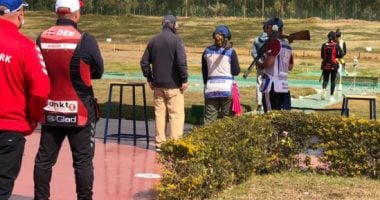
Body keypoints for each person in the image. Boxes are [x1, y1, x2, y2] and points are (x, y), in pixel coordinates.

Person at [33, 0, 104, 199]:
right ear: (76, 14)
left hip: (51, 108)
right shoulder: (85, 39)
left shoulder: (42, 37)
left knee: (44, 160)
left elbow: (38, 70)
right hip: (80, 109)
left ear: (57, 12)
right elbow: (98, 71)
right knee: (82, 161)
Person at [0, 0, 50, 199]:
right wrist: (32, 119)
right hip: (11, 127)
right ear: (19, 13)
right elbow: (40, 91)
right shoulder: (25, 46)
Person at [140, 15, 188, 151]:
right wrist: (184, 79)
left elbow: (144, 62)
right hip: (174, 85)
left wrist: (149, 79)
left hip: (158, 85)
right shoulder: (177, 40)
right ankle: (174, 144)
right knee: (176, 115)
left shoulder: (153, 40)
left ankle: (160, 143)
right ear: (173, 25)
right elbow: (181, 62)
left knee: (160, 114)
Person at [202, 25, 240, 124]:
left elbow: (204, 72)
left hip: (210, 88)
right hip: (226, 89)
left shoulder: (206, 51)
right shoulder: (231, 51)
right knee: (228, 121)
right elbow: (236, 71)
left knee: (209, 121)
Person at [256, 18, 293, 113]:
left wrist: (260, 65)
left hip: (272, 85)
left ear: (273, 28)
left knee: (270, 115)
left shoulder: (274, 42)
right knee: (281, 118)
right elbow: (290, 66)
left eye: (266, 27)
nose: (265, 30)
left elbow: (269, 63)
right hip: (284, 86)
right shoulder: (287, 45)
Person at [320, 31, 343, 101]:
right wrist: (336, 56)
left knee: (325, 79)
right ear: (335, 37)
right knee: (333, 80)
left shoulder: (324, 45)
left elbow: (322, 56)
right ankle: (331, 96)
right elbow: (341, 54)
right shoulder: (336, 45)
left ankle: (324, 89)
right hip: (333, 64)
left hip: (325, 64)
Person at [251, 25, 269, 112]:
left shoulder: (257, 39)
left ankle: (259, 103)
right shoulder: (272, 39)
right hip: (269, 64)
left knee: (259, 83)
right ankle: (267, 102)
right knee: (268, 83)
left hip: (259, 64)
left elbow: (253, 52)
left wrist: (258, 61)